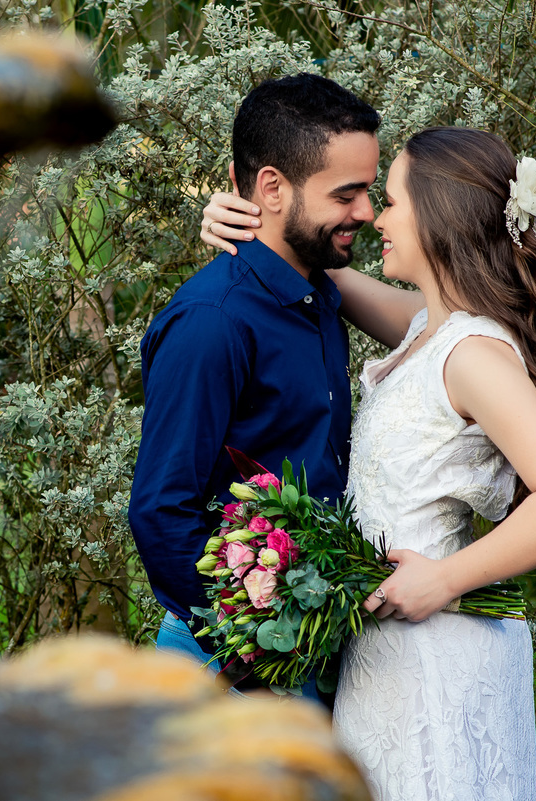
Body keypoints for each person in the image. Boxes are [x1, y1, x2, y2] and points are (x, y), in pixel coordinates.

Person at [201, 127, 536, 799]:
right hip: (389, 650)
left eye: (391, 202)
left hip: (432, 650)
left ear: (439, 217)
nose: (375, 219)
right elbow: (320, 274)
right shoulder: (429, 327)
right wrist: (251, 227)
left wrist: (444, 579)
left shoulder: (472, 355)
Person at [125, 73, 379, 700]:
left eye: (369, 192)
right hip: (228, 669)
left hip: (306, 653)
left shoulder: (318, 294)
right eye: (346, 194)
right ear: (271, 187)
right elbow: (161, 510)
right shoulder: (213, 322)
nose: (366, 213)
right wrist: (250, 664)